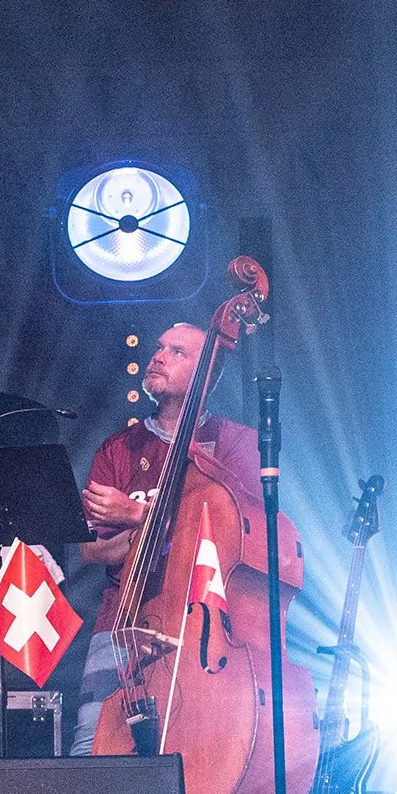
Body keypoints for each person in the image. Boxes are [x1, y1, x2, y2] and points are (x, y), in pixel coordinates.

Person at [68, 323, 261, 755]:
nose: (158, 356)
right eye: (159, 348)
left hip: (198, 630)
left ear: (207, 376)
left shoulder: (236, 446)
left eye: (177, 352)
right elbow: (93, 548)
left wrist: (135, 514)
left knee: (191, 757)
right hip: (119, 622)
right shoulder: (118, 448)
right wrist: (158, 530)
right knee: (89, 754)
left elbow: (229, 537)